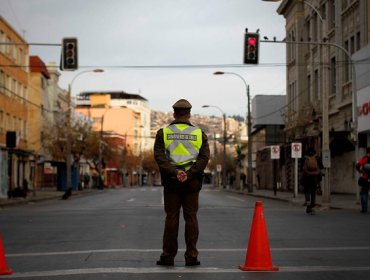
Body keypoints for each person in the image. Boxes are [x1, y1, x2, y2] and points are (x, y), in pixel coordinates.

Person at [154, 99, 210, 266]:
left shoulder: (163, 133)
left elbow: (159, 157)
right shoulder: (199, 134)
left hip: (172, 182)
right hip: (191, 183)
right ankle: (191, 256)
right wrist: (189, 173)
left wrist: (174, 172)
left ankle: (168, 256)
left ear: (174, 114)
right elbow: (204, 158)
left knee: (171, 218)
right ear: (189, 114)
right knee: (191, 218)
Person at [301, 147, 323, 214]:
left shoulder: (304, 158)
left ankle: (307, 201)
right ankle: (312, 206)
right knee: (313, 192)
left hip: (306, 177)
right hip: (315, 178)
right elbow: (322, 166)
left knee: (306, 190)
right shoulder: (317, 158)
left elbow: (301, 167)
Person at [355, 147, 370, 213]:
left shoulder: (365, 158)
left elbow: (357, 165)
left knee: (364, 193)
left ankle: (364, 208)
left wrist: (361, 171)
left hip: (365, 178)